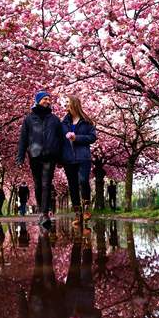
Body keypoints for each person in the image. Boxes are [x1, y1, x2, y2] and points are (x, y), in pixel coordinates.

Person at [17, 91, 63, 226]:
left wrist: (60, 157)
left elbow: (60, 139)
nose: (48, 101)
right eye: (45, 99)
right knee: (38, 185)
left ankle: (44, 213)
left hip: (50, 156)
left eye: (49, 99)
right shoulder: (29, 119)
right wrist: (20, 156)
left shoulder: (54, 119)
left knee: (46, 184)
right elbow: (23, 139)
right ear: (38, 101)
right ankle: (41, 210)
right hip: (35, 155)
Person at [61, 95, 97, 224]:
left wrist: (77, 138)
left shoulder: (87, 121)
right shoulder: (63, 122)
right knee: (73, 186)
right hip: (68, 158)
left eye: (67, 102)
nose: (65, 105)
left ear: (74, 104)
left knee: (83, 181)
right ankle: (77, 214)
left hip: (83, 157)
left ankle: (87, 209)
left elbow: (92, 138)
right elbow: (60, 140)